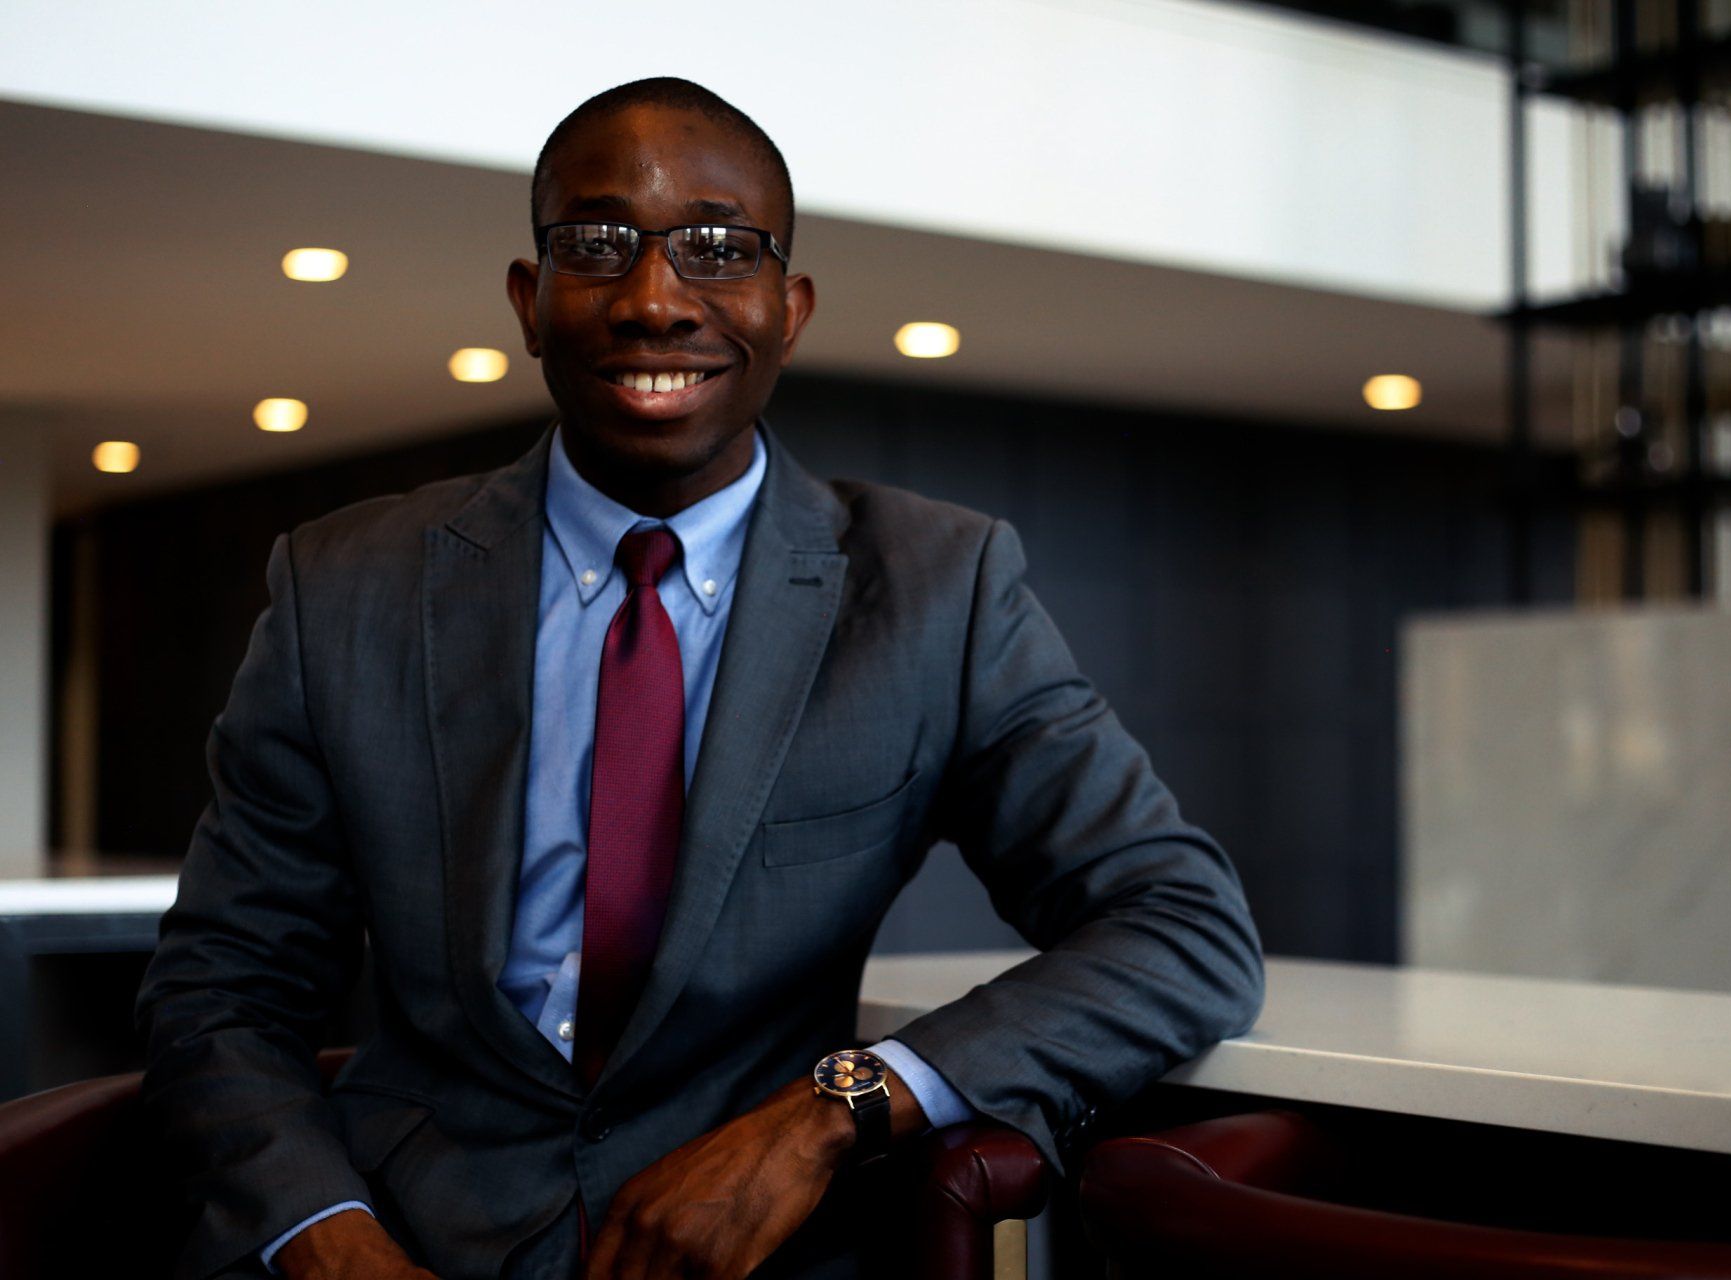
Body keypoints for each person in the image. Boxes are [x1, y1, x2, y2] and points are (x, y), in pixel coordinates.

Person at [136, 77, 1264, 1280]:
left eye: (721, 249)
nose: (656, 299)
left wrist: (827, 1115)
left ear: (792, 308)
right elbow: (223, 985)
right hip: (403, 1231)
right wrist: (324, 1236)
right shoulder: (343, 585)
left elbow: (1181, 925)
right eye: (599, 244)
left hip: (768, 1252)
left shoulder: (938, 588)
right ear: (530, 300)